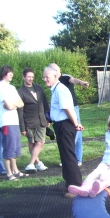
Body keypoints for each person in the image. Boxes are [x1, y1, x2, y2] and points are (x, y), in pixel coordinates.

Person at [43, 66, 84, 198]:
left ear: (55, 77)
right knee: (64, 156)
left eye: (47, 77)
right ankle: (69, 183)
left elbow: (68, 109)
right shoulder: (56, 90)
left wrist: (76, 124)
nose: (45, 79)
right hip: (60, 125)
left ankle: (76, 186)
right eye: (44, 77)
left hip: (65, 125)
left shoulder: (60, 89)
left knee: (69, 155)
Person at [48, 63, 88, 167]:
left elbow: (74, 80)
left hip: (71, 108)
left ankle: (74, 159)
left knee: (76, 134)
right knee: (75, 135)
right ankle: (73, 159)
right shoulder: (53, 83)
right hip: (63, 109)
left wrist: (82, 82)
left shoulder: (65, 77)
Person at [0, 65, 28, 181]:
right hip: (7, 122)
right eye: (10, 73)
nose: (12, 74)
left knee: (15, 147)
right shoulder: (0, 87)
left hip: (14, 121)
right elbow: (8, 106)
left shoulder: (12, 87)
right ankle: (9, 173)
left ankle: (16, 170)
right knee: (8, 148)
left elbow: (21, 103)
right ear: (4, 73)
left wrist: (12, 104)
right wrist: (13, 104)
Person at [17, 68, 49, 173]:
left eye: (32, 77)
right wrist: (22, 128)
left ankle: (30, 164)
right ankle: (38, 163)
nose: (31, 79)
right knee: (32, 143)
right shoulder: (20, 92)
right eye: (28, 77)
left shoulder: (39, 88)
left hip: (41, 120)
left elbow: (45, 103)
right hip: (29, 122)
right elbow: (20, 112)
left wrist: (48, 118)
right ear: (23, 77)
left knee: (40, 143)